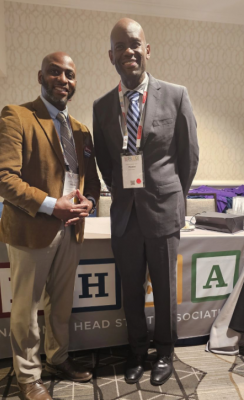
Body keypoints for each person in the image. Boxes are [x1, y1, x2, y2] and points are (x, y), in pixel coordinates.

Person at [0, 52, 100, 400]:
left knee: (62, 304)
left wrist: (89, 203)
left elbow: (91, 181)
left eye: (70, 74)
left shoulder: (81, 131)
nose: (63, 79)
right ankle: (27, 377)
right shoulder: (17, 116)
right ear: (41, 75)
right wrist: (53, 206)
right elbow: (0, 177)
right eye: (55, 72)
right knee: (26, 307)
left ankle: (58, 359)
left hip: (72, 230)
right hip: (31, 229)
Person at [93, 18, 199, 386]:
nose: (129, 52)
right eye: (120, 46)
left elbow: (188, 157)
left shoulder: (176, 95)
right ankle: (136, 352)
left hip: (164, 212)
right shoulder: (102, 106)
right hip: (124, 215)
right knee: (131, 288)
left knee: (166, 289)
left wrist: (171, 196)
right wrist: (124, 193)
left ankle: (165, 352)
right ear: (111, 55)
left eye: (135, 44)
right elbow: (106, 162)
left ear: (147, 49)